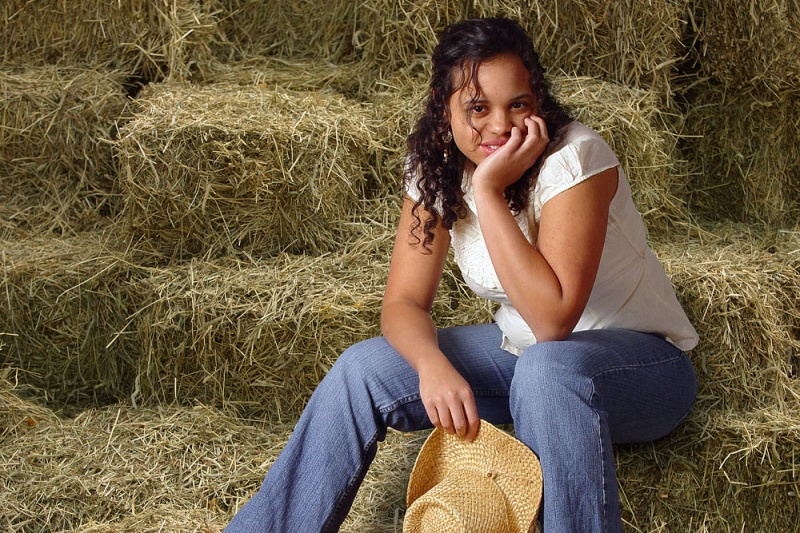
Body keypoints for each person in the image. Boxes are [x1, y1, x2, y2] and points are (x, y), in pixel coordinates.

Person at [225, 17, 699, 533]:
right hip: (522, 363)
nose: (500, 127)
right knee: (362, 370)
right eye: (478, 108)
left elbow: (554, 324)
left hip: (639, 369)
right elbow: (403, 301)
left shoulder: (574, 158)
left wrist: (490, 193)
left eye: (517, 104)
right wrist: (431, 365)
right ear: (442, 106)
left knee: (549, 368)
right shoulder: (436, 169)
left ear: (536, 99)